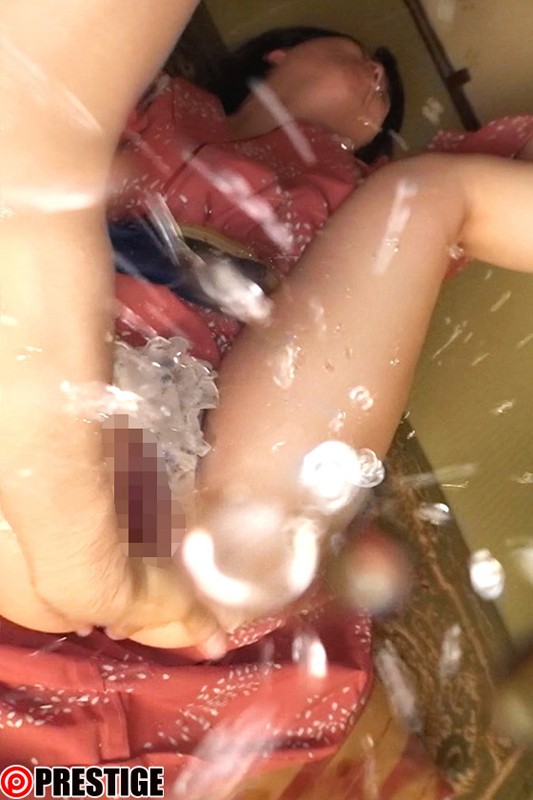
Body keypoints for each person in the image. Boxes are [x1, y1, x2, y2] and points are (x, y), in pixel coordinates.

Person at [1, 0, 533, 786]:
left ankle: (176, 566)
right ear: (278, 57)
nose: (378, 76)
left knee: (427, 194)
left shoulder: (364, 188)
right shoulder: (165, 105)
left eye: (386, 83)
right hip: (54, 331)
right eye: (358, 55)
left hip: (212, 425)